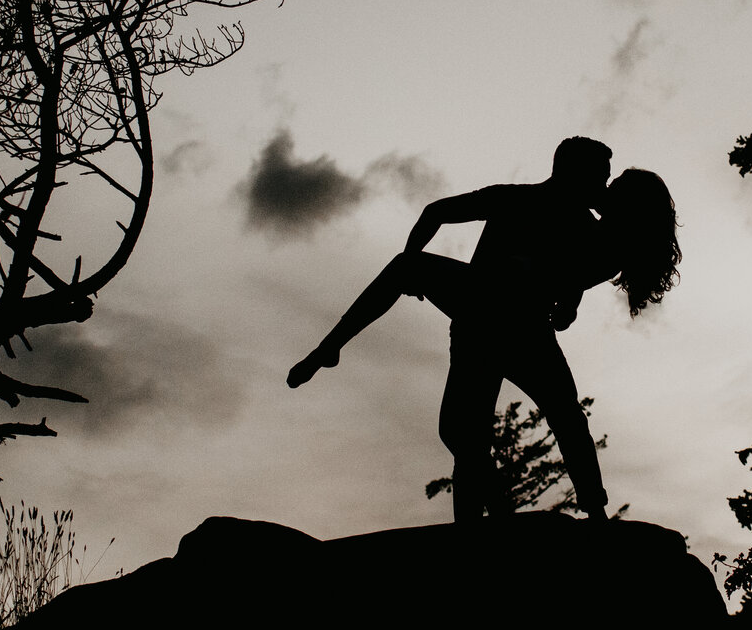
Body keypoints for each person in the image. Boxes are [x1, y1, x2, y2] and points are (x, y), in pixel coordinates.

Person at [287, 137, 681, 524]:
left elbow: (435, 214)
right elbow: (438, 213)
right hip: (496, 319)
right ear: (573, 175)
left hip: (502, 320)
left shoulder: (554, 214)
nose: (603, 190)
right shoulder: (574, 224)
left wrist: (559, 296)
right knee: (503, 429)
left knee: (482, 434)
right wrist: (564, 301)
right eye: (601, 179)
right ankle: (577, 511)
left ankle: (573, 511)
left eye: (609, 182)